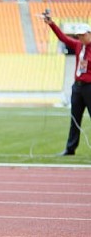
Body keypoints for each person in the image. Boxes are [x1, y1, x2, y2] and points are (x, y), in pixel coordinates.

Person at [43, 14, 91, 156]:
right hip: (77, 87)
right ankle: (70, 149)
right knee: (75, 119)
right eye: (79, 36)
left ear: (89, 34)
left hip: (89, 87)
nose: (81, 38)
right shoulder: (78, 45)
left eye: (83, 35)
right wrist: (52, 24)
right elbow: (63, 38)